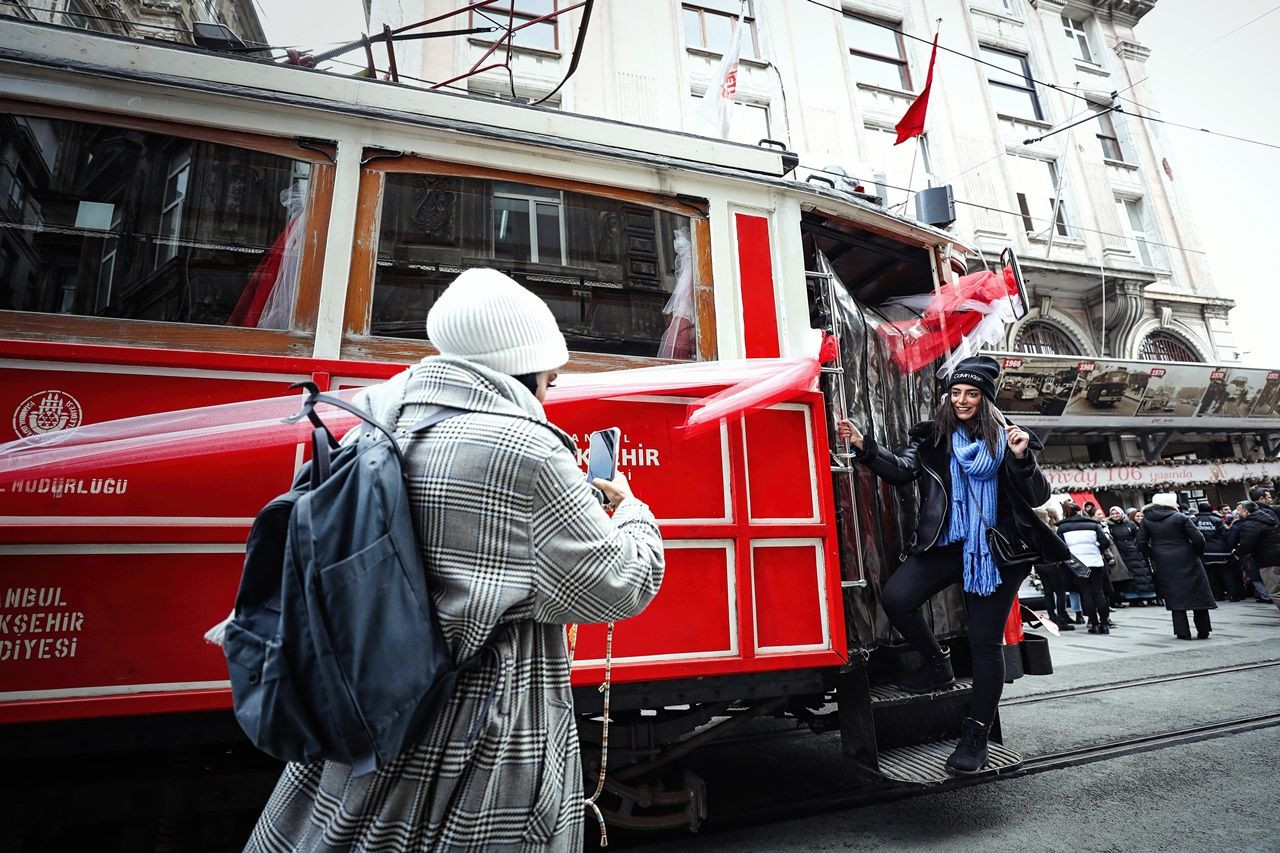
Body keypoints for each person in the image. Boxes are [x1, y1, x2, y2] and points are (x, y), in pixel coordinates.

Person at [246, 268, 666, 852]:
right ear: (522, 367)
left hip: (366, 706)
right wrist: (631, 509)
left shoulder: (378, 421)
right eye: (549, 379)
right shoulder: (524, 449)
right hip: (475, 736)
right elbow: (622, 583)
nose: (548, 395)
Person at [837, 355, 1069, 776]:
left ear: (986, 399)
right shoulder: (933, 438)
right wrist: (864, 446)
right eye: (956, 392)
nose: (962, 400)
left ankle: (976, 736)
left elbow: (1038, 496)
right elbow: (901, 472)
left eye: (972, 393)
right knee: (897, 598)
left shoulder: (1009, 439)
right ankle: (937, 663)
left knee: (985, 643)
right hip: (947, 543)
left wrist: (1022, 459)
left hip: (997, 552)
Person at [1137, 492, 1216, 640]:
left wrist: (1153, 555)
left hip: (1163, 560)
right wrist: (1197, 553)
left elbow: (1141, 542)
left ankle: (1182, 632)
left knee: (1174, 595)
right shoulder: (1180, 517)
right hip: (1187, 557)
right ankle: (1203, 630)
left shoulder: (1147, 520)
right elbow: (1198, 538)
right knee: (1198, 593)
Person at [1056, 502, 1113, 634]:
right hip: (1095, 560)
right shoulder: (1093, 525)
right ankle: (1104, 624)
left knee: (1085, 592)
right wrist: (1096, 549)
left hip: (1076, 562)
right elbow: (1105, 542)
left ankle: (1094, 624)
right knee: (1099, 592)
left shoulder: (1063, 527)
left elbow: (1060, 547)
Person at [1232, 500, 1280, 613]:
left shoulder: (1249, 524)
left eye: (1238, 510)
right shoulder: (1268, 519)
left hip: (1268, 561)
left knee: (1275, 592)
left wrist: (1237, 553)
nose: (1237, 512)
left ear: (1245, 511)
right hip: (1276, 556)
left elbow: (1246, 545)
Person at [1032, 507, 1073, 631]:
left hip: (1039, 565)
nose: (1049, 518)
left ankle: (1052, 617)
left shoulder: (1032, 530)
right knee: (1060, 592)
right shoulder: (1047, 530)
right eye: (1046, 516)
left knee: (1048, 592)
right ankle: (1062, 618)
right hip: (1052, 564)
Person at [1195, 500, 1240, 601]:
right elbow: (1226, 534)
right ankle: (1233, 595)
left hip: (1205, 551)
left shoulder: (1194, 521)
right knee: (1226, 573)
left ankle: (1218, 595)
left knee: (1211, 574)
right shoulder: (1217, 520)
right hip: (1221, 551)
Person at [1113, 508, 1158, 606]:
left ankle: (1145, 596)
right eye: (1113, 514)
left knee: (1140, 574)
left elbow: (1138, 537)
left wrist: (1136, 547)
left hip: (1134, 552)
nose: (1115, 515)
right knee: (1129, 576)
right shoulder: (1112, 526)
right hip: (1122, 553)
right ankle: (1133, 598)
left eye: (1117, 513)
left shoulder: (1130, 524)